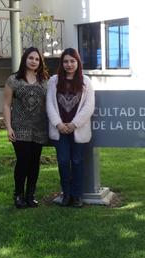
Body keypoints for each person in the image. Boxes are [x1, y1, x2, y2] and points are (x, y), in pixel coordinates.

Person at [46, 48, 95, 207]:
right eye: (66, 61)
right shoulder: (53, 81)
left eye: (72, 61)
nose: (69, 64)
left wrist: (74, 124)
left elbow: (89, 107)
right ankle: (66, 195)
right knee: (63, 161)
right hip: (60, 131)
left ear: (78, 62)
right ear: (62, 63)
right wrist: (58, 124)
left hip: (78, 130)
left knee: (78, 161)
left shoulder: (85, 81)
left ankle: (77, 196)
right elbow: (50, 105)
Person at [3, 47, 49, 209]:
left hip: (39, 128)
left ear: (40, 62)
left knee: (34, 163)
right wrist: (8, 127)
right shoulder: (13, 80)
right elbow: (7, 105)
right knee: (23, 161)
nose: (34, 61)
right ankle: (18, 195)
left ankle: (30, 195)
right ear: (25, 59)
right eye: (31, 58)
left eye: (37, 59)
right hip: (20, 128)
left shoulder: (45, 81)